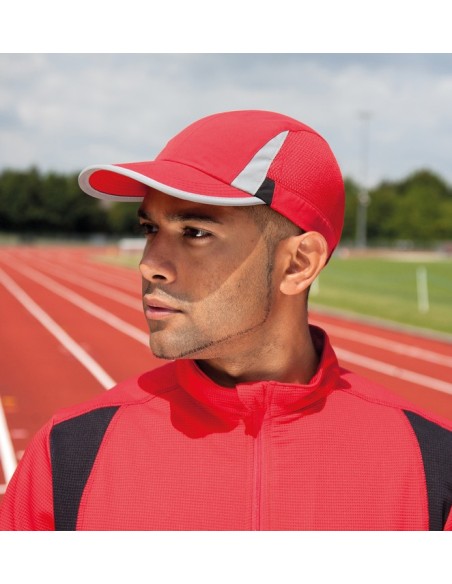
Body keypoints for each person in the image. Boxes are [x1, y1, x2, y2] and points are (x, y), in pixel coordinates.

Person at [1, 109, 451, 531]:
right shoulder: (71, 454)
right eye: (149, 228)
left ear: (298, 264)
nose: (149, 264)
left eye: (195, 233)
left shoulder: (433, 468)